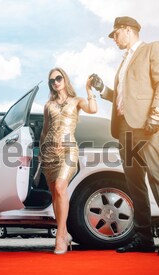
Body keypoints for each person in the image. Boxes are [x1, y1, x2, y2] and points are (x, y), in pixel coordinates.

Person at [91, 16, 159, 256]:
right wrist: (103, 89)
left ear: (127, 30)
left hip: (146, 125)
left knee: (158, 178)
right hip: (124, 127)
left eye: (115, 34)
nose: (114, 39)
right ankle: (143, 238)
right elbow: (125, 98)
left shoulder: (152, 48)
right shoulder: (123, 62)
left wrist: (155, 114)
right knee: (135, 183)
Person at [40, 67, 98, 254]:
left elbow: (93, 109)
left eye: (58, 78)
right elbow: (45, 130)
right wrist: (41, 152)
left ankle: (60, 236)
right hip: (49, 152)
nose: (55, 82)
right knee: (55, 195)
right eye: (52, 81)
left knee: (60, 187)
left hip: (68, 149)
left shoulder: (77, 101)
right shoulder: (48, 105)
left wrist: (89, 90)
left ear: (65, 79)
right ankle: (64, 234)